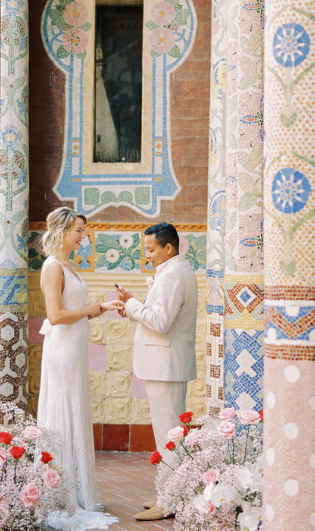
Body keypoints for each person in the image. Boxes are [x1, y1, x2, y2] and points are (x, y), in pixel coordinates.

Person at [36, 207, 124, 531]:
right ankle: (60, 492)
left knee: (76, 410)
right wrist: (87, 309)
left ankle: (78, 491)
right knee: (63, 411)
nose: (82, 236)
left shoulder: (68, 264)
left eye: (83, 231)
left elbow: (76, 309)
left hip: (75, 349)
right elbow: (56, 316)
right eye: (78, 230)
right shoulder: (52, 266)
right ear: (61, 231)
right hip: (62, 350)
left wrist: (100, 308)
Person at [116, 222, 198, 522]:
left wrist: (133, 304)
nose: (147, 256)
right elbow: (158, 317)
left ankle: (171, 500)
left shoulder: (174, 274)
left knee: (169, 436)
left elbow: (161, 322)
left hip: (166, 366)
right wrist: (134, 306)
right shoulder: (173, 271)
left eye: (150, 250)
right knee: (168, 434)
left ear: (168, 248)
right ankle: (169, 495)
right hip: (165, 364)